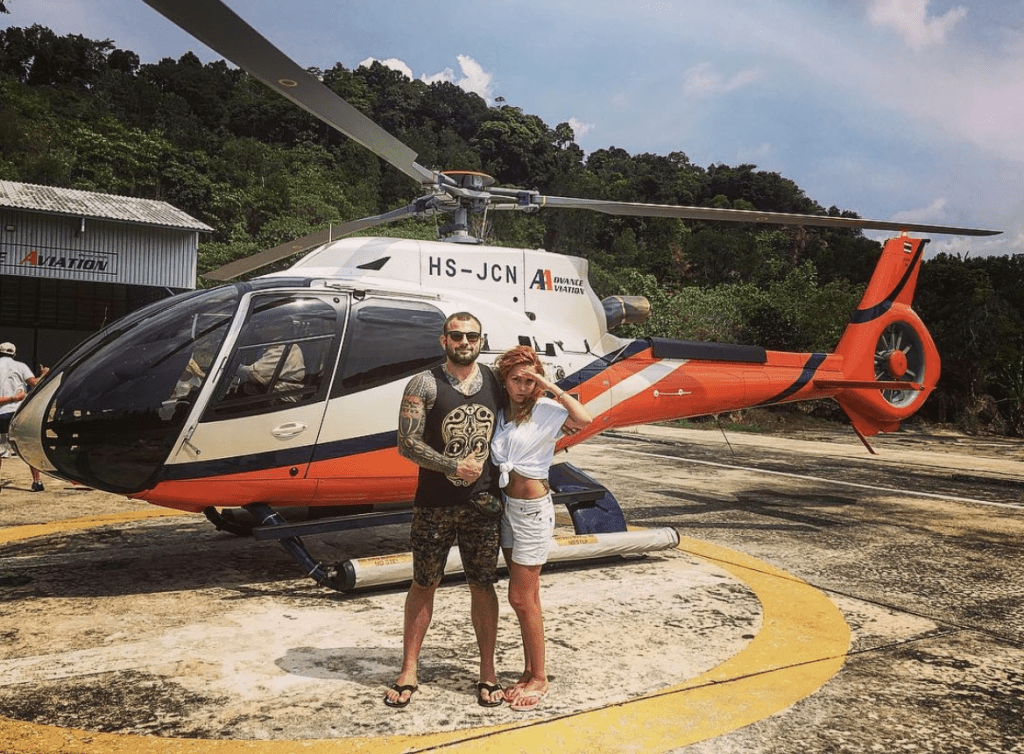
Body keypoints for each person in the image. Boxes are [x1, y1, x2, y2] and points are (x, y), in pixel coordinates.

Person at [385, 311, 506, 709]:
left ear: (481, 340)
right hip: (434, 504)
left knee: (482, 584)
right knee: (424, 582)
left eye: (472, 336)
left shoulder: (495, 381)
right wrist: (452, 465)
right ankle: (408, 669)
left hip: (482, 503)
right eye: (456, 336)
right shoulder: (424, 383)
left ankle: (487, 671)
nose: (464, 342)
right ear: (444, 341)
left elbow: (527, 406)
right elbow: (406, 442)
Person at [491, 345, 592, 712]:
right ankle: (529, 670)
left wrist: (548, 386)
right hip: (507, 509)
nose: (523, 387)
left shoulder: (546, 409)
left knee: (521, 597)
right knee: (526, 597)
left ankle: (540, 678)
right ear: (504, 379)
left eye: (529, 380)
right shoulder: (499, 414)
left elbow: (584, 419)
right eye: (517, 379)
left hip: (533, 512)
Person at [0, 342, 50, 492]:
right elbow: (35, 383)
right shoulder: (20, 366)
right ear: (14, 354)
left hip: (1, 412)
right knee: (28, 446)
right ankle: (37, 481)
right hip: (18, 412)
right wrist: (44, 374)